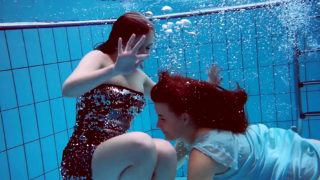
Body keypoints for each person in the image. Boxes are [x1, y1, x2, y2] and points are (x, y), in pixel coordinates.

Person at [60, 12, 177, 180]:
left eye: (149, 47)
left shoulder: (139, 76)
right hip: (85, 154)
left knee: (165, 152)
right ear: (124, 40)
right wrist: (115, 69)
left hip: (117, 156)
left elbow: (169, 99)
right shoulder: (99, 58)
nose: (147, 53)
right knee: (141, 144)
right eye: (143, 46)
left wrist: (209, 87)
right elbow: (68, 90)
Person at [150, 70, 320, 180]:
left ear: (185, 118)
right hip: (302, 148)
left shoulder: (203, 155)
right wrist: (208, 86)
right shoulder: (210, 121)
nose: (157, 124)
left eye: (162, 118)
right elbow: (174, 160)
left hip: (302, 171)